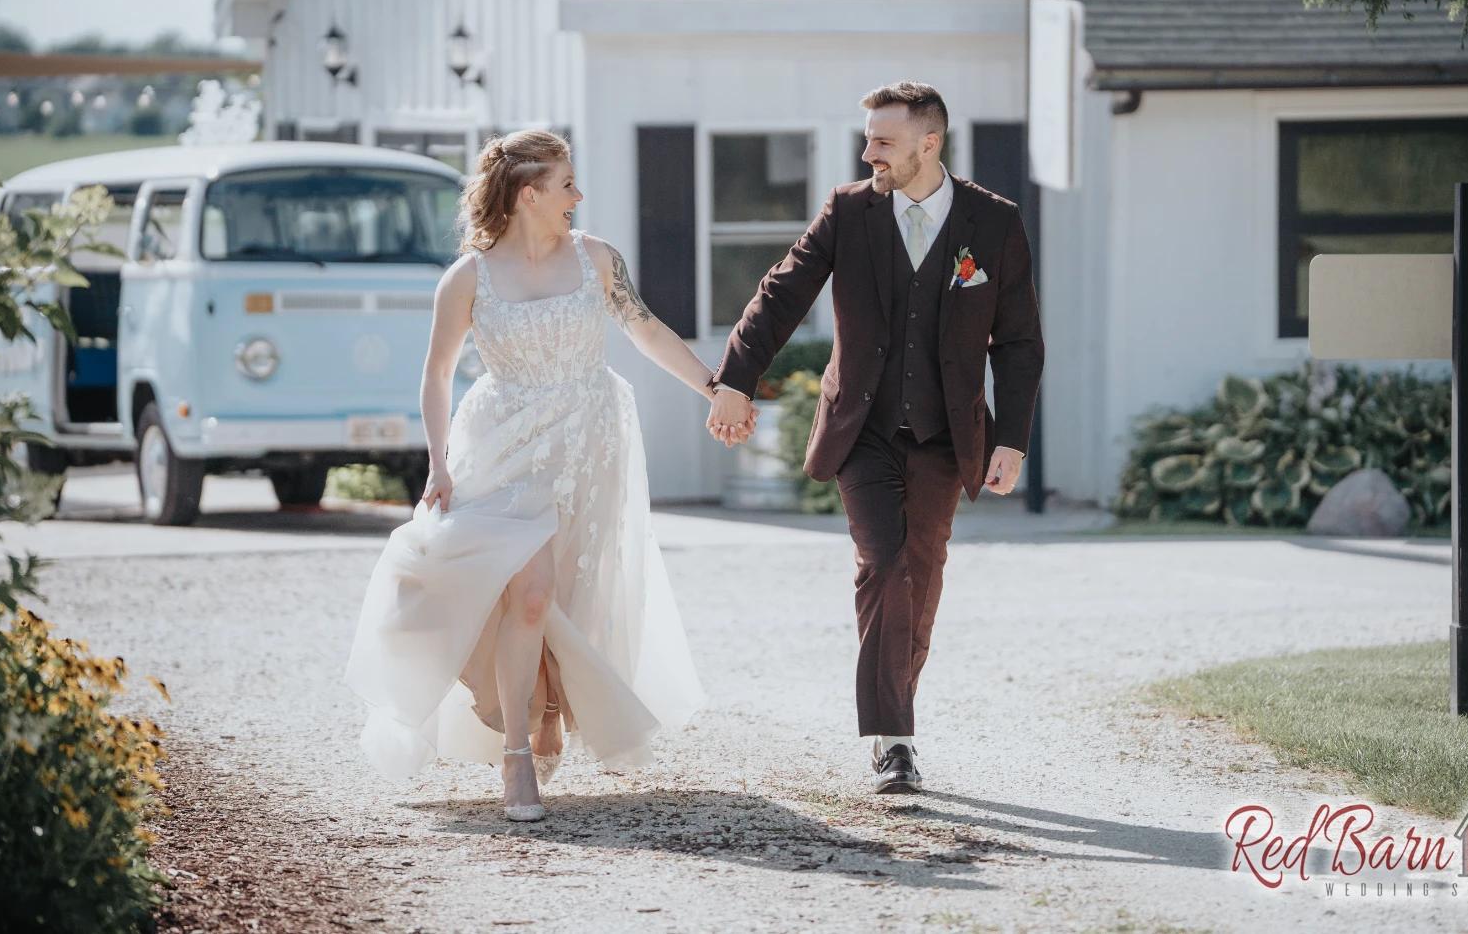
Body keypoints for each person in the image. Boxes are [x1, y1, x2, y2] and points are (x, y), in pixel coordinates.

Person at [346, 130, 734, 820]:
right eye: (566, 186)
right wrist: (437, 463)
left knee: (567, 591)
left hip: (589, 443)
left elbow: (647, 332)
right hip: (501, 448)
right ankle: (517, 758)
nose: (577, 198)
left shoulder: (597, 259)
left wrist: (717, 388)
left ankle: (550, 699)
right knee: (525, 594)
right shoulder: (467, 278)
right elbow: (435, 377)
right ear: (529, 194)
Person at [706, 82, 1044, 794]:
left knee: (920, 578)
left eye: (883, 141)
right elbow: (782, 292)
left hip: (946, 437)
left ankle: (897, 717)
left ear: (930, 144)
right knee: (883, 564)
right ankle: (895, 741)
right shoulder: (848, 211)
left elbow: (1017, 341)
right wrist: (736, 377)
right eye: (867, 140)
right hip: (861, 428)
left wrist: (1011, 437)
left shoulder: (994, 222)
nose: (869, 154)